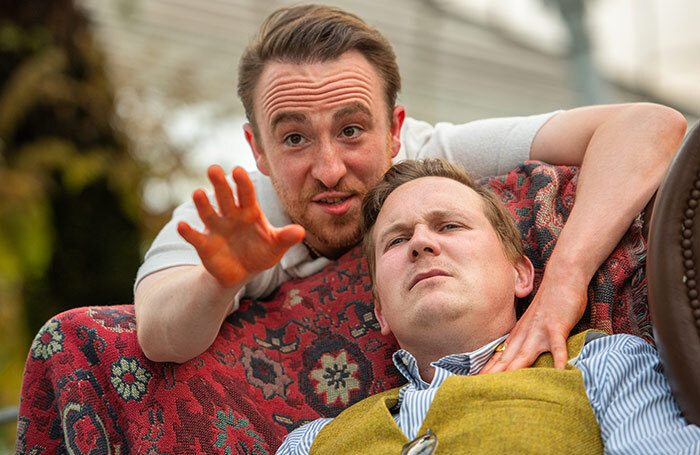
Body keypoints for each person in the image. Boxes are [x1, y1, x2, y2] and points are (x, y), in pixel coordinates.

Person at [134, 4, 687, 366]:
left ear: (397, 130)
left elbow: (649, 126)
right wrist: (217, 280)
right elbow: (157, 335)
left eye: (352, 130)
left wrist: (565, 279)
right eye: (295, 139)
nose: (329, 169)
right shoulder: (236, 215)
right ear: (257, 149)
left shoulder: (438, 154)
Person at [276, 158, 700, 454]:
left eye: (450, 225)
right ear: (381, 311)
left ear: (521, 273)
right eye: (398, 239)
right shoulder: (309, 443)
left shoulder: (601, 363)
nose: (422, 243)